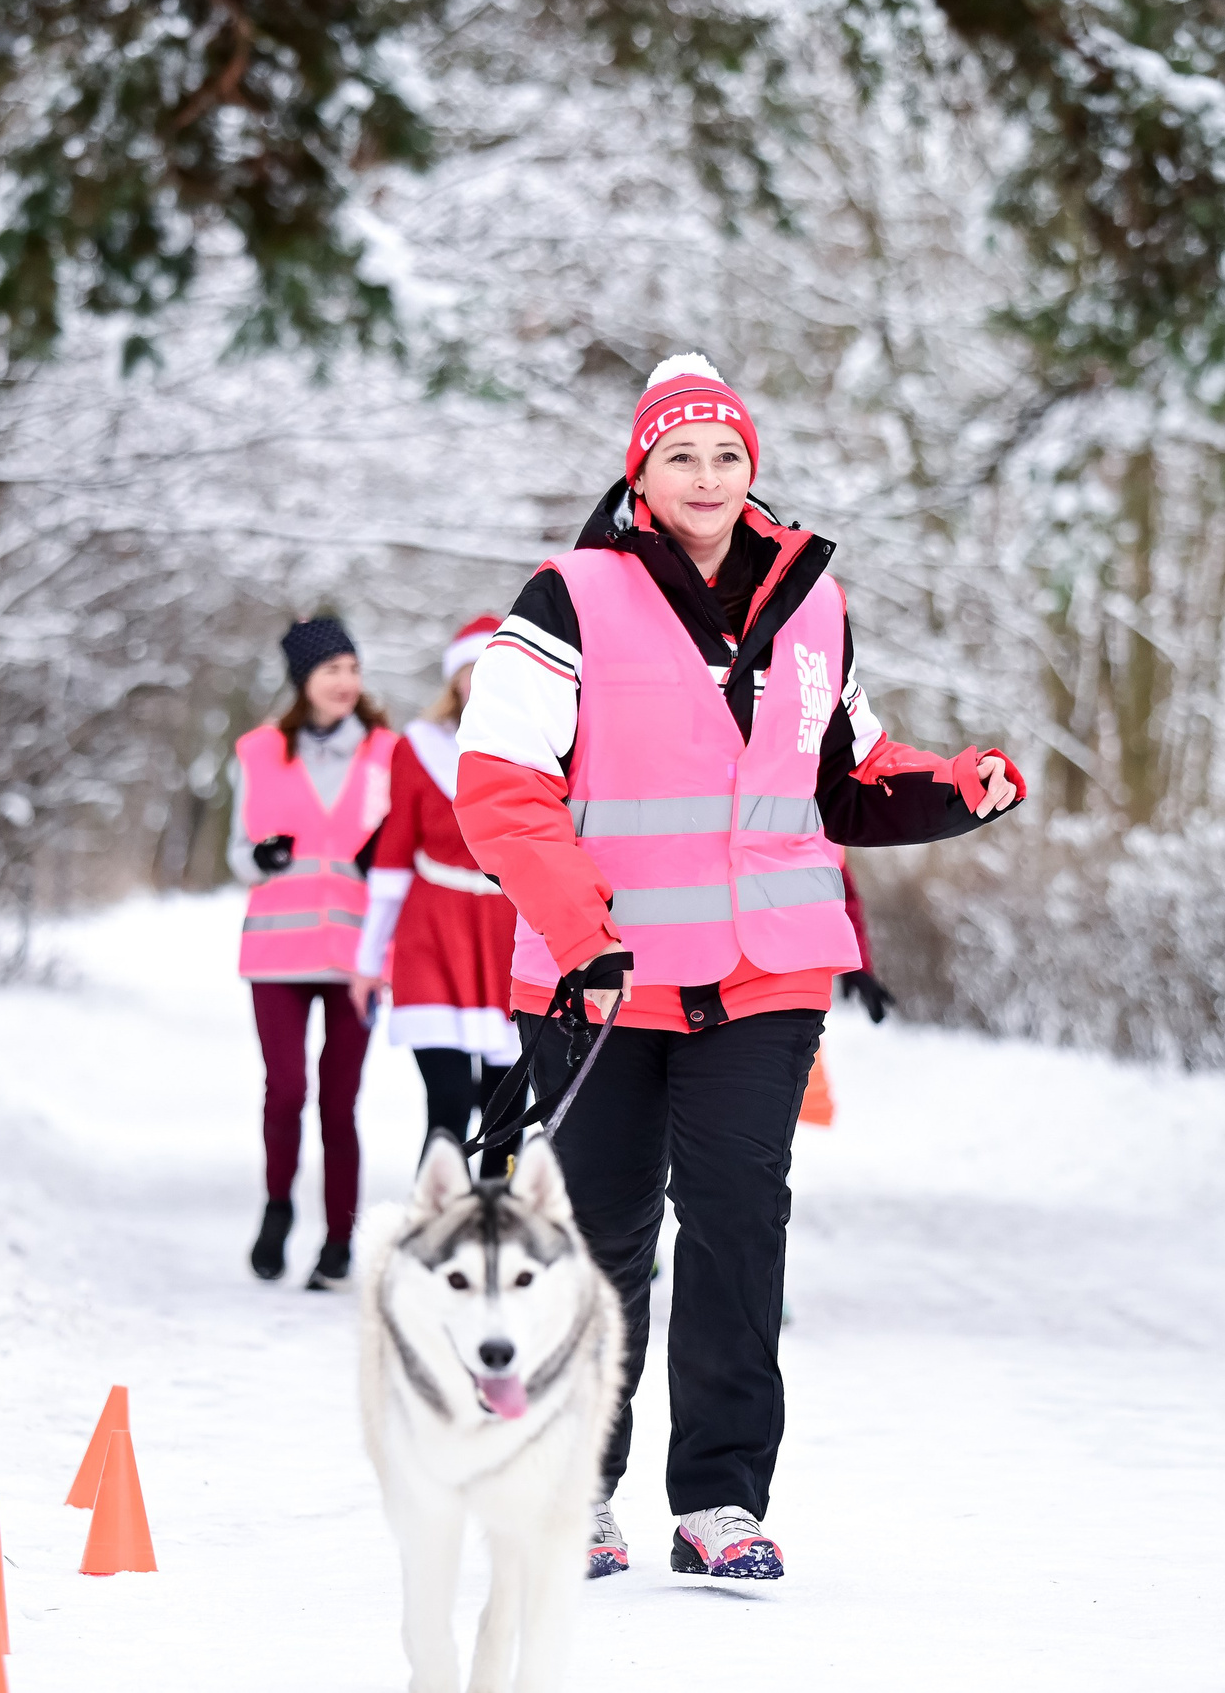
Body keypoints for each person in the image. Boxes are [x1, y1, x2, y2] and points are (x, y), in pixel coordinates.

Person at [454, 354, 1026, 1582]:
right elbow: (501, 788)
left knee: (735, 1221)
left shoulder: (812, 601)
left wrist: (953, 786)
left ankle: (719, 1498)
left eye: (726, 455)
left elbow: (845, 776)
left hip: (767, 969)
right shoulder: (567, 596)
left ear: (750, 468)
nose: (707, 476)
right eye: (681, 456)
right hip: (599, 975)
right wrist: (581, 931)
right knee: (602, 1231)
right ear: (640, 474)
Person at [229, 617, 396, 1291]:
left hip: (358, 957)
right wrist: (261, 857)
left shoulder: (387, 753)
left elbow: (404, 847)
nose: (346, 682)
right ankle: (277, 1209)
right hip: (278, 950)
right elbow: (239, 854)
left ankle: (338, 1240)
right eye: (332, 670)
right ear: (304, 679)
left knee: (339, 1100)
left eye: (353, 668)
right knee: (287, 1091)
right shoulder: (260, 751)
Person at [350, 616, 524, 1177]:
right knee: (447, 1101)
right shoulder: (417, 749)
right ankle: (437, 1219)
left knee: (506, 1109)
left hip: (508, 935)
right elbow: (392, 858)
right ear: (455, 678)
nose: (484, 680)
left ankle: (501, 1219)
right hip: (433, 930)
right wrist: (368, 962)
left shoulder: (537, 747)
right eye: (475, 669)